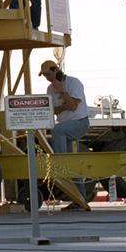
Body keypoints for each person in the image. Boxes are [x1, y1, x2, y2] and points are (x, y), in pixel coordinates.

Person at [41, 59, 89, 199]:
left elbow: (73, 106)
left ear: (56, 70)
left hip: (79, 123)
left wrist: (62, 91)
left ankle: (59, 165)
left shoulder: (74, 83)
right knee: (72, 164)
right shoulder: (50, 89)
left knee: (57, 130)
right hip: (65, 125)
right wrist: (64, 106)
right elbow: (54, 110)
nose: (47, 78)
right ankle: (80, 198)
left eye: (48, 74)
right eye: (44, 76)